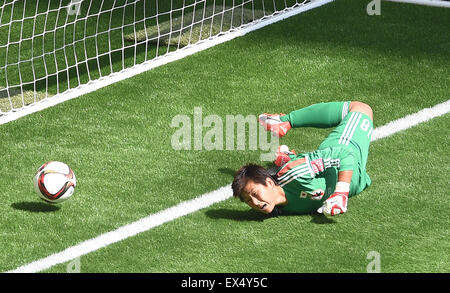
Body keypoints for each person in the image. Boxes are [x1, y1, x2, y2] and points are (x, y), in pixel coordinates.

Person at [231, 101, 373, 216]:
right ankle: (288, 158)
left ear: (269, 182)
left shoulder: (296, 174)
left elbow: (344, 155)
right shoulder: (278, 208)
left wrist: (341, 193)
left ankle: (285, 121)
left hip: (348, 149)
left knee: (361, 108)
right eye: (249, 200)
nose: (255, 202)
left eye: (255, 194)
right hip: (357, 178)